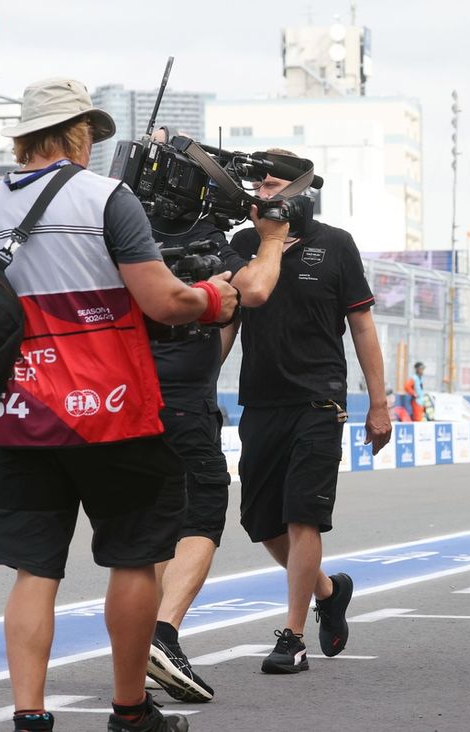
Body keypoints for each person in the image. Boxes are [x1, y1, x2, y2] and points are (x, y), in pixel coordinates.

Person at [0, 78, 236, 732]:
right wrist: (215, 296)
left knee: (35, 570)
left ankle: (29, 715)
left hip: (25, 414)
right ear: (80, 132)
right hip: (113, 411)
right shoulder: (106, 198)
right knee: (135, 559)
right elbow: (163, 302)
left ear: (25, 136)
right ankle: (129, 711)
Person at [225, 157, 392, 674]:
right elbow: (228, 319)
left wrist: (379, 404)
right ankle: (327, 590)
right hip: (260, 401)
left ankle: (292, 637)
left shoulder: (335, 243)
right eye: (258, 183)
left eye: (272, 184)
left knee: (303, 513)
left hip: (319, 399)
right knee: (259, 519)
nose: (261, 191)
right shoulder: (242, 245)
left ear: (303, 190)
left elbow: (362, 327)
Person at [143, 131, 290, 704]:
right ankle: (160, 633)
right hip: (180, 400)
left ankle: (136, 647)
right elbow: (251, 289)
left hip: (124, 398)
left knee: (147, 527)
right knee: (201, 515)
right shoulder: (199, 237)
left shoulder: (123, 230)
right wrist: (272, 238)